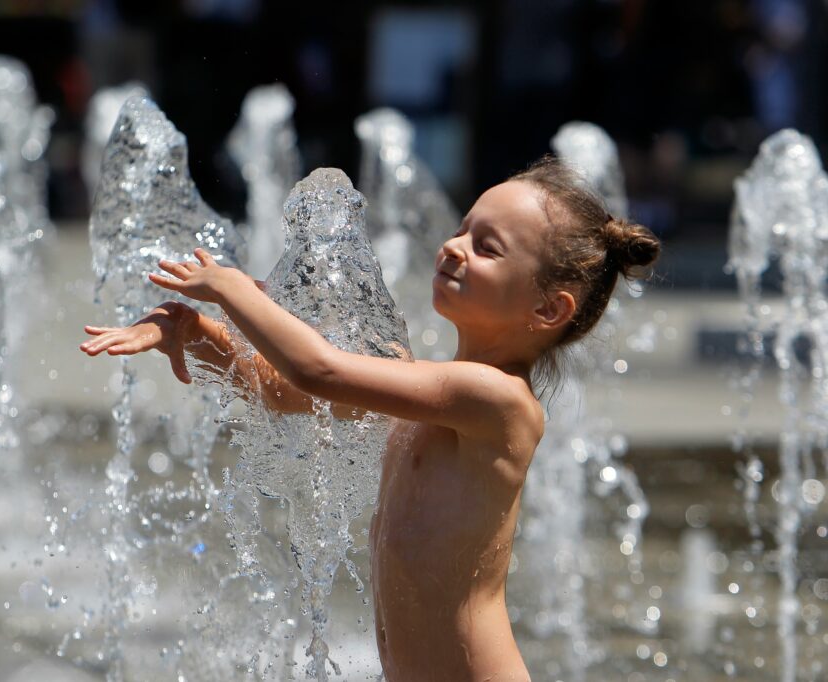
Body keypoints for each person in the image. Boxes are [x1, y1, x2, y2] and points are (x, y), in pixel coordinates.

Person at [79, 155, 660, 681]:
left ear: (548, 307)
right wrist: (193, 330)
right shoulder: (425, 388)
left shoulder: (499, 403)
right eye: (462, 229)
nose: (455, 247)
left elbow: (320, 370)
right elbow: (282, 391)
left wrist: (230, 289)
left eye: (488, 247)